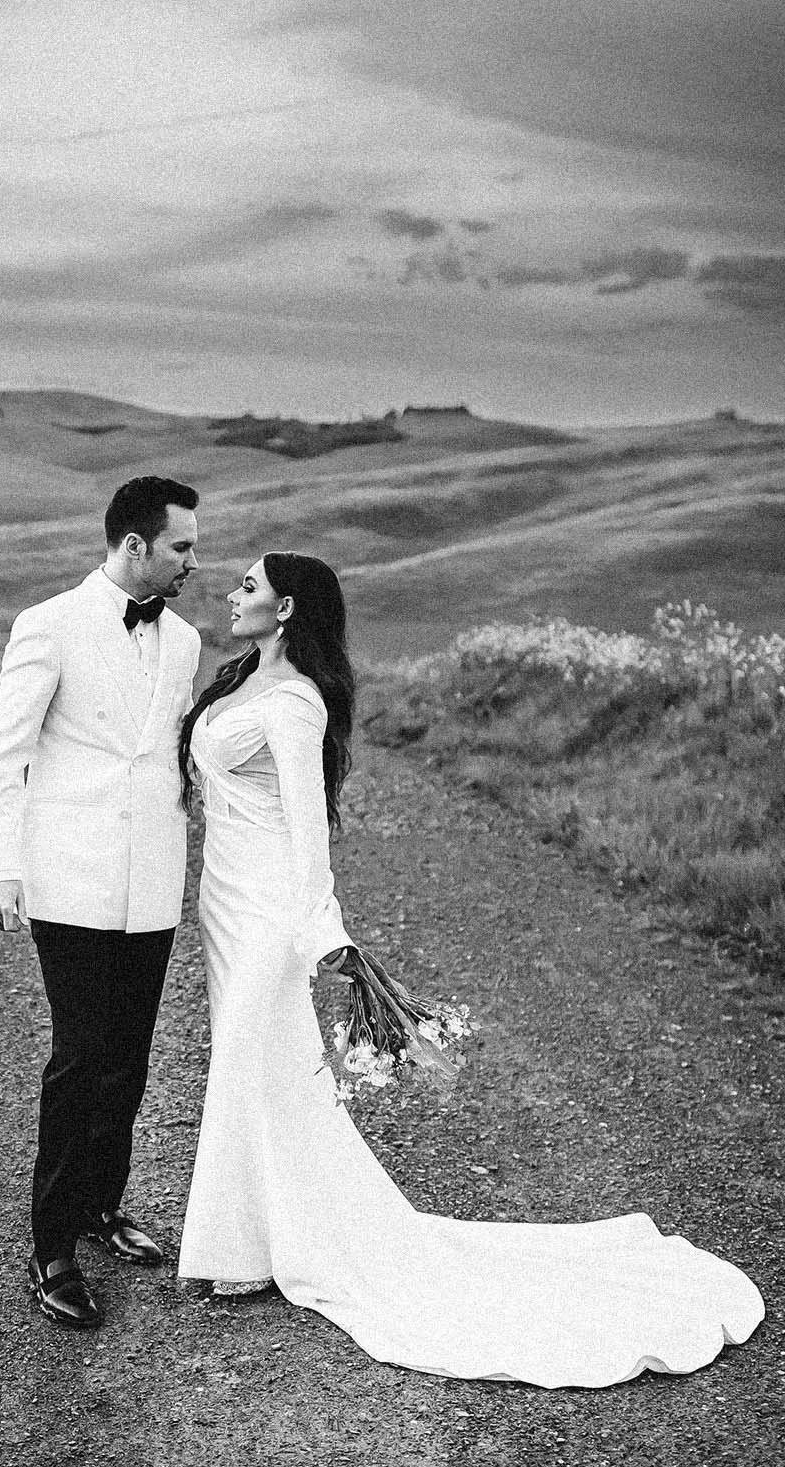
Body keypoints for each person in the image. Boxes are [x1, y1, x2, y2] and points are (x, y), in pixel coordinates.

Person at [176, 552, 765, 1387]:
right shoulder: (239, 677)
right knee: (261, 1072)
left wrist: (326, 938)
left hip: (271, 915)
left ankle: (244, 1249)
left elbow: (310, 838)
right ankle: (261, 1236)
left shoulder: (297, 703)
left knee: (246, 1062)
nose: (233, 595)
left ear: (287, 607)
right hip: (223, 908)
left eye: (248, 586)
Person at [0, 476, 201, 1329]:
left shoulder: (181, 641)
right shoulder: (48, 625)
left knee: (132, 1054)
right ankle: (53, 1245)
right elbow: (7, 755)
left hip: (152, 882)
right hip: (67, 878)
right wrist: (2, 872)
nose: (193, 560)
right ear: (135, 546)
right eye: (181, 546)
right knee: (81, 1053)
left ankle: (105, 1205)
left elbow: (170, 756)